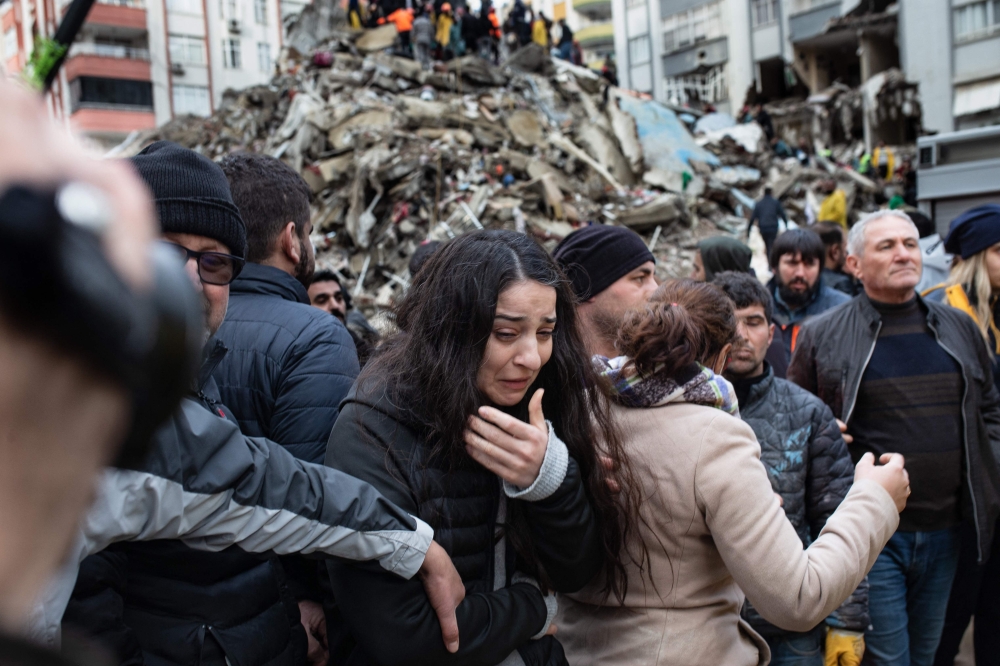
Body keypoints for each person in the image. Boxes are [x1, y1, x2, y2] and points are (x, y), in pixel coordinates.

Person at [60, 142, 463, 666]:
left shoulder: (191, 376)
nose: (190, 282)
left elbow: (256, 485)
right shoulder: (83, 401)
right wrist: (407, 545)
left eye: (215, 263)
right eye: (162, 252)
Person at [323, 230, 640, 666]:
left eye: (545, 332)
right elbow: (407, 637)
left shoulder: (538, 407)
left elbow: (577, 571)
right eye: (507, 333)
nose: (531, 356)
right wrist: (534, 606)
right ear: (452, 329)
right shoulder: (373, 428)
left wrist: (551, 482)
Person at [557, 278, 909, 666]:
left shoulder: (578, 411)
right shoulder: (716, 437)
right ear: (723, 357)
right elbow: (797, 598)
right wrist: (874, 500)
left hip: (578, 651)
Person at [788, 210, 1000, 666]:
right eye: (887, 246)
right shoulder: (823, 334)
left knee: (927, 653)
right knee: (889, 659)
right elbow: (794, 421)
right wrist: (822, 430)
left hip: (947, 529)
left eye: (910, 243)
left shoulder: (959, 326)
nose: (904, 253)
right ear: (854, 265)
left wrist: (990, 469)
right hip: (874, 534)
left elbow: (991, 409)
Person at [714, 272, 868, 666]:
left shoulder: (808, 412)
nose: (741, 335)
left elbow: (837, 518)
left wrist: (846, 621)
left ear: (771, 330)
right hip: (710, 623)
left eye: (752, 322)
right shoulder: (683, 411)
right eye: (728, 322)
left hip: (792, 622)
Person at [215, 152, 358, 465]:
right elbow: (318, 489)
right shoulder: (318, 338)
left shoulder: (180, 319)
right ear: (291, 240)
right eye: (308, 234)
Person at [921, 205, 1000, 666]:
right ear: (973, 257)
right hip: (966, 492)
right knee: (952, 615)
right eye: (997, 250)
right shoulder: (941, 310)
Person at [553, 225, 657, 359]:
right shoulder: (539, 370)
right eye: (639, 278)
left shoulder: (657, 368)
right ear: (587, 284)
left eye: (653, 277)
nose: (656, 290)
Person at [768, 228, 850, 372]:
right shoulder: (758, 308)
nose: (800, 273)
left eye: (809, 264)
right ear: (775, 267)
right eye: (792, 263)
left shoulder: (840, 309)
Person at [308, 270, 377, 366]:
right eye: (322, 300)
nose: (335, 305)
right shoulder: (307, 359)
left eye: (339, 298)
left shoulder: (356, 343)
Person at [813, 221, 855, 295]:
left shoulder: (808, 278)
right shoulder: (841, 283)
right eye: (845, 250)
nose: (847, 254)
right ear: (835, 252)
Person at [748, 186, 787, 257]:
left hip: (763, 228)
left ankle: (770, 263)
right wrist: (786, 225)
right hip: (773, 228)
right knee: (771, 245)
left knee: (768, 245)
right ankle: (771, 263)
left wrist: (748, 229)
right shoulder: (775, 202)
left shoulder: (759, 204)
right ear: (771, 193)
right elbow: (782, 214)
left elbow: (753, 218)